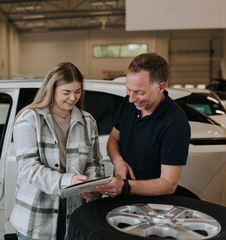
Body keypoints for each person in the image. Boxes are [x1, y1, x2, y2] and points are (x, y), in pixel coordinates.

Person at [10, 62, 105, 240]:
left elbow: (94, 163)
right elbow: (29, 168)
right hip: (36, 217)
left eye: (77, 91)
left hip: (75, 212)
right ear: (51, 89)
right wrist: (69, 181)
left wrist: (92, 185)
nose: (73, 98)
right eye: (66, 92)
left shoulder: (88, 121)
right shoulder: (29, 119)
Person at [92, 53, 190, 198]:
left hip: (152, 206)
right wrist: (118, 161)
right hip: (122, 198)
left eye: (139, 92)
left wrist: (125, 186)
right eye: (128, 89)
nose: (131, 98)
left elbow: (169, 184)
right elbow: (114, 138)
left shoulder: (175, 123)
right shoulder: (128, 103)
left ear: (161, 87)